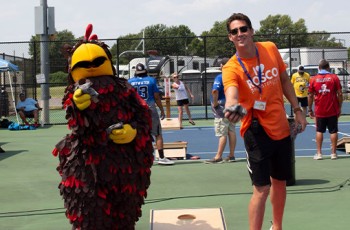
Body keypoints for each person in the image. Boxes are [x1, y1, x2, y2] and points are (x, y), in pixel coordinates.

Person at [222, 13, 307, 230]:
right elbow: (231, 94)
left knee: (280, 182)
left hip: (281, 126)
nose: (240, 34)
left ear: (251, 31)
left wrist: (298, 109)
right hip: (256, 130)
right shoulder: (231, 68)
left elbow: (284, 80)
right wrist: (231, 106)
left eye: (243, 29)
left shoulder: (269, 48)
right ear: (230, 37)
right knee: (261, 188)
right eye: (234, 31)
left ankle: (277, 226)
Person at [129, 63, 174, 165]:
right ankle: (161, 157)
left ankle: (137, 158)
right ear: (145, 71)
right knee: (157, 133)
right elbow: (157, 97)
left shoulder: (130, 81)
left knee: (137, 134)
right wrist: (162, 110)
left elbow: (127, 97)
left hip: (136, 110)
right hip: (149, 109)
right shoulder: (151, 80)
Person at [308, 59, 342, 160]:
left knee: (319, 131)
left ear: (319, 68)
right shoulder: (334, 77)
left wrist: (310, 109)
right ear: (328, 67)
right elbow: (340, 94)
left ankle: (319, 154)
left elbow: (310, 95)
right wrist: (339, 107)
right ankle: (333, 154)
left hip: (319, 110)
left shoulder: (313, 79)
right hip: (332, 109)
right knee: (333, 131)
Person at [205, 58, 237, 164]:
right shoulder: (234, 76)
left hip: (222, 108)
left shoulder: (220, 77)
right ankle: (231, 155)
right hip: (232, 105)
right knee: (231, 130)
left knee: (222, 132)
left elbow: (215, 90)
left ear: (222, 66)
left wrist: (215, 103)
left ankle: (218, 156)